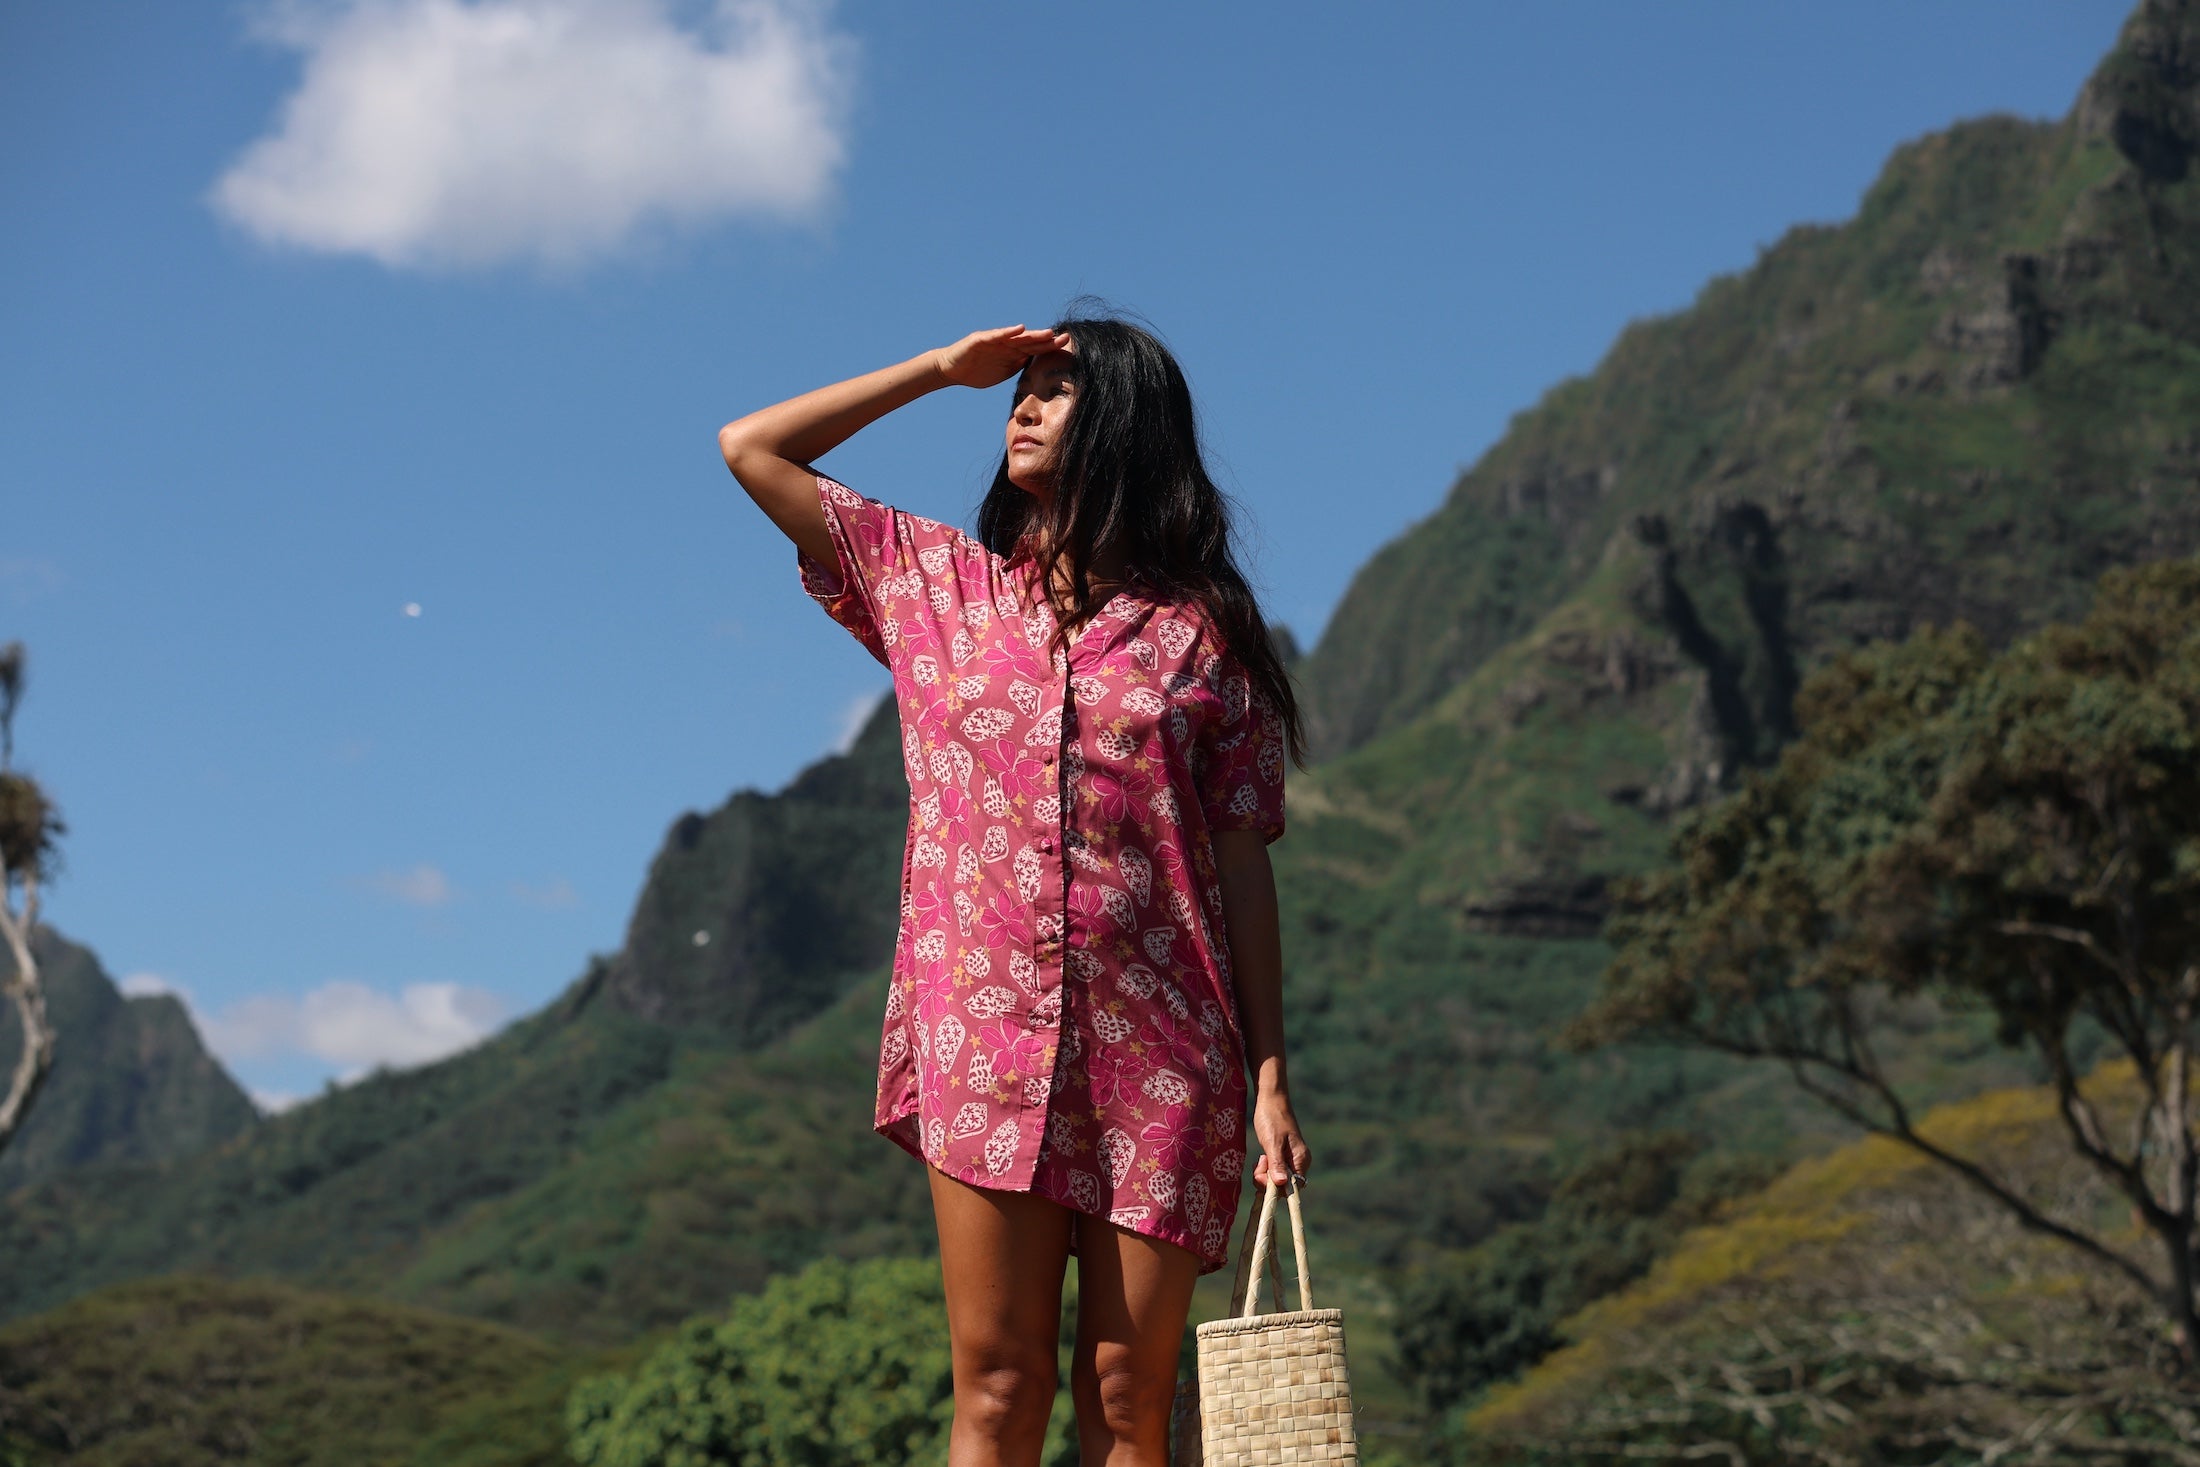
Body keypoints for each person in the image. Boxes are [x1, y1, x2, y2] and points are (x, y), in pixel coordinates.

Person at [718, 308, 1310, 1467]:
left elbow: (1241, 862)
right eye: (1017, 389)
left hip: (1166, 1060)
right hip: (983, 1042)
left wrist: (1271, 1074)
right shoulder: (933, 586)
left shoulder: (1204, 641)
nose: (1022, 406)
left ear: (1127, 424)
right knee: (996, 1385)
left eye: (1055, 388)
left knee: (1127, 1402)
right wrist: (942, 370)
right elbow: (753, 448)